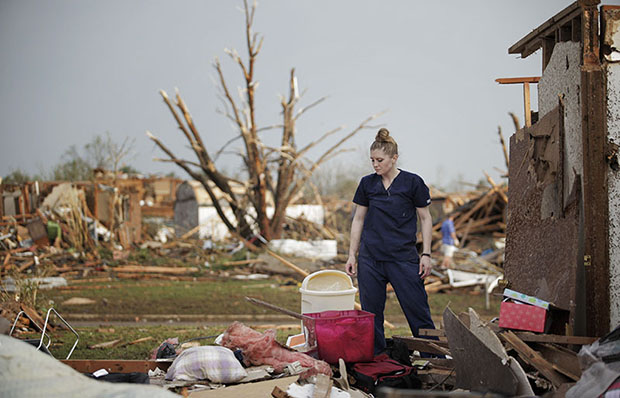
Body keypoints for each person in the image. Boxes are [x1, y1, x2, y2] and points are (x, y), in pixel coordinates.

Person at [345, 128, 437, 355]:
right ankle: (377, 362)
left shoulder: (412, 182)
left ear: (394, 158)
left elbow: (425, 218)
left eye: (380, 160)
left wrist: (426, 254)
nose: (375, 165)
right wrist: (351, 255)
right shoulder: (367, 184)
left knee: (419, 311)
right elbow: (358, 219)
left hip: (403, 258)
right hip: (370, 259)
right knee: (371, 315)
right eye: (372, 160)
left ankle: (436, 356)